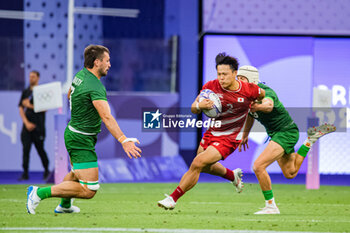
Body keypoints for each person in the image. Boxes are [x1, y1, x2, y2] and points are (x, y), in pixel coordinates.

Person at [26, 45, 142, 214]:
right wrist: (124, 140)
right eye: (107, 61)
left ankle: (65, 205)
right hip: (80, 139)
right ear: (97, 62)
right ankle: (38, 193)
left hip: (75, 133)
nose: (110, 64)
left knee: (75, 173)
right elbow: (107, 117)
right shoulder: (95, 86)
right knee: (89, 190)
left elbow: (69, 95)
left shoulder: (80, 75)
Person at [157, 53, 265, 210]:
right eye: (219, 74)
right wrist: (201, 106)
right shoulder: (211, 87)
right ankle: (232, 176)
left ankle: (173, 199)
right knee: (204, 166)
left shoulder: (249, 90)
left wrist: (259, 106)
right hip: (211, 134)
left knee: (197, 163)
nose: (221, 78)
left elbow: (263, 95)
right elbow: (194, 107)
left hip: (229, 139)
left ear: (235, 74)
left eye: (225, 74)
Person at [237, 65, 336, 214]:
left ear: (252, 79)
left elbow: (268, 105)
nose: (239, 81)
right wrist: (245, 135)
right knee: (290, 173)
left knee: (258, 166)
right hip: (277, 134)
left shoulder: (266, 92)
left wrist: (257, 106)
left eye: (242, 78)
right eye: (238, 78)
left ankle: (271, 206)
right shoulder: (246, 95)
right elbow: (250, 115)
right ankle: (310, 140)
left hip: (285, 132)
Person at [18, 70, 50, 181]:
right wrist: (26, 123)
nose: (31, 78)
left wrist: (29, 105)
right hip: (26, 127)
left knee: (40, 149)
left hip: (39, 127)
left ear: (38, 78)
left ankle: (46, 171)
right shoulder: (25, 92)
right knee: (25, 150)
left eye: (33, 76)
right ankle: (25, 173)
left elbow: (45, 109)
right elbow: (21, 108)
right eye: (30, 76)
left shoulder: (42, 92)